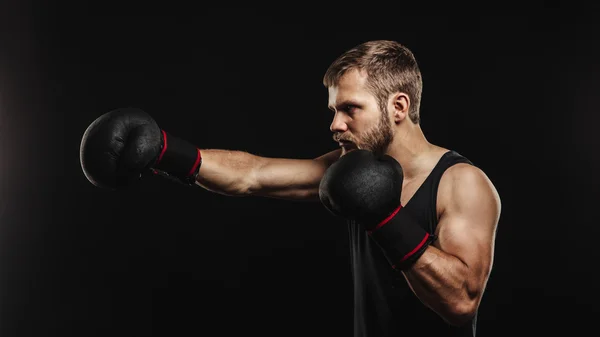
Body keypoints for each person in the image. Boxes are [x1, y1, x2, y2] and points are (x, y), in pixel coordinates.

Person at [80, 40, 501, 337]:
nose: (335, 125)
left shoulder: (461, 182)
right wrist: (166, 152)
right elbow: (254, 175)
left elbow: (461, 304)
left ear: (399, 106)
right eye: (334, 110)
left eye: (350, 109)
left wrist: (386, 216)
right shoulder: (346, 166)